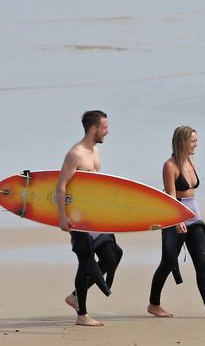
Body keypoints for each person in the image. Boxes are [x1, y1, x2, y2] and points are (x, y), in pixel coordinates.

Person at [147, 126, 205, 319]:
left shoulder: (190, 162)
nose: (196, 144)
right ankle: (153, 304)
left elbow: (191, 194)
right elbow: (171, 196)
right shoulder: (170, 166)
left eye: (196, 140)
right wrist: (177, 220)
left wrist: (193, 217)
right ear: (182, 142)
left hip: (195, 218)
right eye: (193, 141)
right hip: (176, 217)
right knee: (167, 263)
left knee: (202, 264)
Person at [57, 110, 123, 327]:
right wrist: (63, 217)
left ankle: (76, 296)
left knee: (112, 256)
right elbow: (61, 186)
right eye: (105, 127)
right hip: (77, 217)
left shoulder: (95, 152)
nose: (108, 131)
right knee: (85, 262)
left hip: (95, 215)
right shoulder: (75, 154)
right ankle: (82, 314)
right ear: (93, 128)